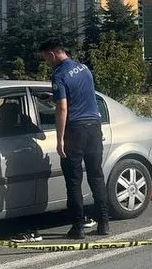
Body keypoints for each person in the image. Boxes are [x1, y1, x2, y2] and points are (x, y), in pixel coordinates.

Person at [40, 40, 109, 239]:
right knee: (96, 176)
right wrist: (54, 94)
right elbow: (81, 95)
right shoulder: (84, 68)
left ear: (52, 54)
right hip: (94, 128)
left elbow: (63, 109)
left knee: (73, 180)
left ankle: (78, 227)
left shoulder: (59, 75)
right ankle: (103, 223)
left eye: (46, 58)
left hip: (75, 130)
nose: (47, 63)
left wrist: (60, 139)